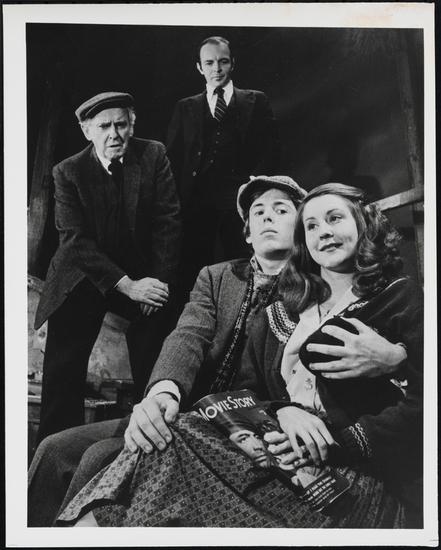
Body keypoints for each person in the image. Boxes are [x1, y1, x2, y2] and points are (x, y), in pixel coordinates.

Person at [56, 183, 417, 528]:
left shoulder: (400, 298)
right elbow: (191, 340)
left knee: (152, 451)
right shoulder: (279, 308)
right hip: (238, 429)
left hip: (340, 468)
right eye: (312, 225)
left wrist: (397, 362)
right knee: (74, 452)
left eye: (335, 218)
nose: (323, 231)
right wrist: (282, 409)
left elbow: (422, 399)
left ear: (362, 223)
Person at [28, 175, 305, 526]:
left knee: (97, 457)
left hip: (245, 430)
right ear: (247, 233)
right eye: (258, 211)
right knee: (55, 449)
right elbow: (187, 336)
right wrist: (164, 390)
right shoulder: (217, 277)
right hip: (185, 412)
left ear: (302, 227)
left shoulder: (312, 288)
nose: (267, 216)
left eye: (281, 210)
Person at [33, 91, 181, 443]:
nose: (114, 134)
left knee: (158, 341)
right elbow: (74, 241)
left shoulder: (153, 154)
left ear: (132, 125)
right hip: (82, 275)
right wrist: (127, 285)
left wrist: (157, 283)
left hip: (142, 273)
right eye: (104, 127)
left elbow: (168, 221)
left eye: (121, 124)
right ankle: (56, 452)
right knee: (63, 367)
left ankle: (154, 440)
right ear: (87, 131)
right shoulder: (67, 171)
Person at [166, 36, 281, 303]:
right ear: (199, 67)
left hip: (238, 198)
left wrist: (254, 185)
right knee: (194, 264)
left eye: (223, 61)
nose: (216, 69)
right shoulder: (185, 107)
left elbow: (271, 148)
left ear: (232, 64)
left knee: (241, 261)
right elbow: (173, 156)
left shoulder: (255, 100)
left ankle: (243, 314)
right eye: (209, 63)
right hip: (196, 200)